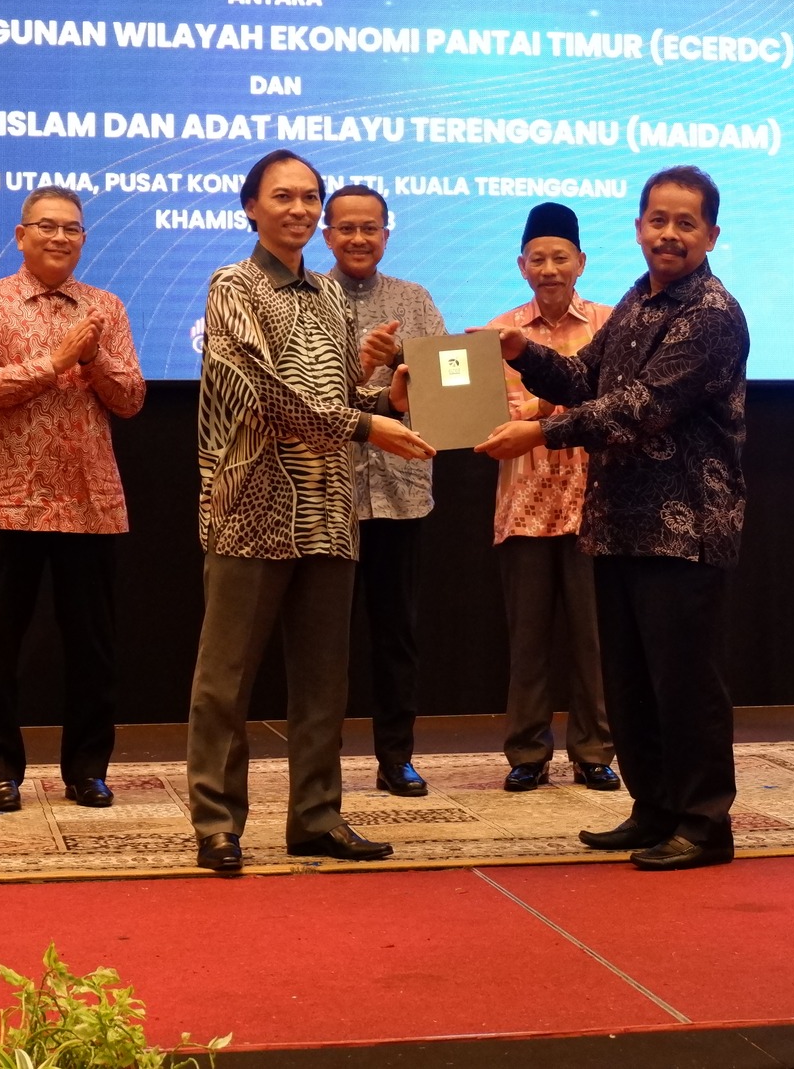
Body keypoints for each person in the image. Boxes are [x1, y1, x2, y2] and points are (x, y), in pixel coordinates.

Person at [476, 166, 748, 871]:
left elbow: (640, 407)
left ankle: (704, 824)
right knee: (631, 683)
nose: (669, 234)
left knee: (686, 685)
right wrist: (522, 353)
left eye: (685, 223)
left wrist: (538, 433)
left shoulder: (711, 313)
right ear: (637, 228)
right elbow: (583, 379)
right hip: (618, 524)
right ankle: (653, 808)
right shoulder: (635, 301)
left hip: (683, 529)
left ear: (711, 234)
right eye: (658, 220)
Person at [186, 149, 436, 875]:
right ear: (251, 207)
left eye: (308, 197)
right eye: (283, 196)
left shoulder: (328, 295)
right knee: (226, 680)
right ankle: (217, 823)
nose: (298, 209)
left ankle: (317, 817)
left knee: (324, 680)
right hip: (250, 507)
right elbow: (262, 393)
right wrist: (365, 425)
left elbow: (332, 397)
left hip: (329, 509)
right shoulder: (232, 286)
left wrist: (382, 399)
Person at [0, 185, 145, 814]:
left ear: (83, 239)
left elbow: (131, 399)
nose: (60, 237)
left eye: (72, 228)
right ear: (21, 235)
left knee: (93, 650)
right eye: (47, 226)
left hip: (90, 500)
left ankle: (87, 771)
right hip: (6, 498)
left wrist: (94, 362)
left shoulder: (105, 308)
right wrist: (53, 361)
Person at [480, 203, 617, 793]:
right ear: (522, 266)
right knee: (528, 640)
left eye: (561, 258)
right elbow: (487, 415)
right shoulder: (498, 334)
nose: (550, 269)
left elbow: (611, 403)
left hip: (596, 505)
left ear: (581, 262)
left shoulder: (611, 325)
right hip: (524, 503)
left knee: (594, 639)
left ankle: (595, 751)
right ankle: (527, 753)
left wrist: (537, 407)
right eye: (538, 259)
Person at [323, 183, 447, 797]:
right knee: (324, 640)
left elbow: (448, 391)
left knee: (396, 635)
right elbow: (303, 398)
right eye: (346, 228)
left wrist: (407, 364)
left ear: (386, 234)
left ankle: (396, 757)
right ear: (327, 236)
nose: (358, 238)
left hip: (401, 494)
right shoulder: (308, 301)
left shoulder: (414, 300)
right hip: (326, 496)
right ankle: (320, 764)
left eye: (369, 228)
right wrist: (358, 363)